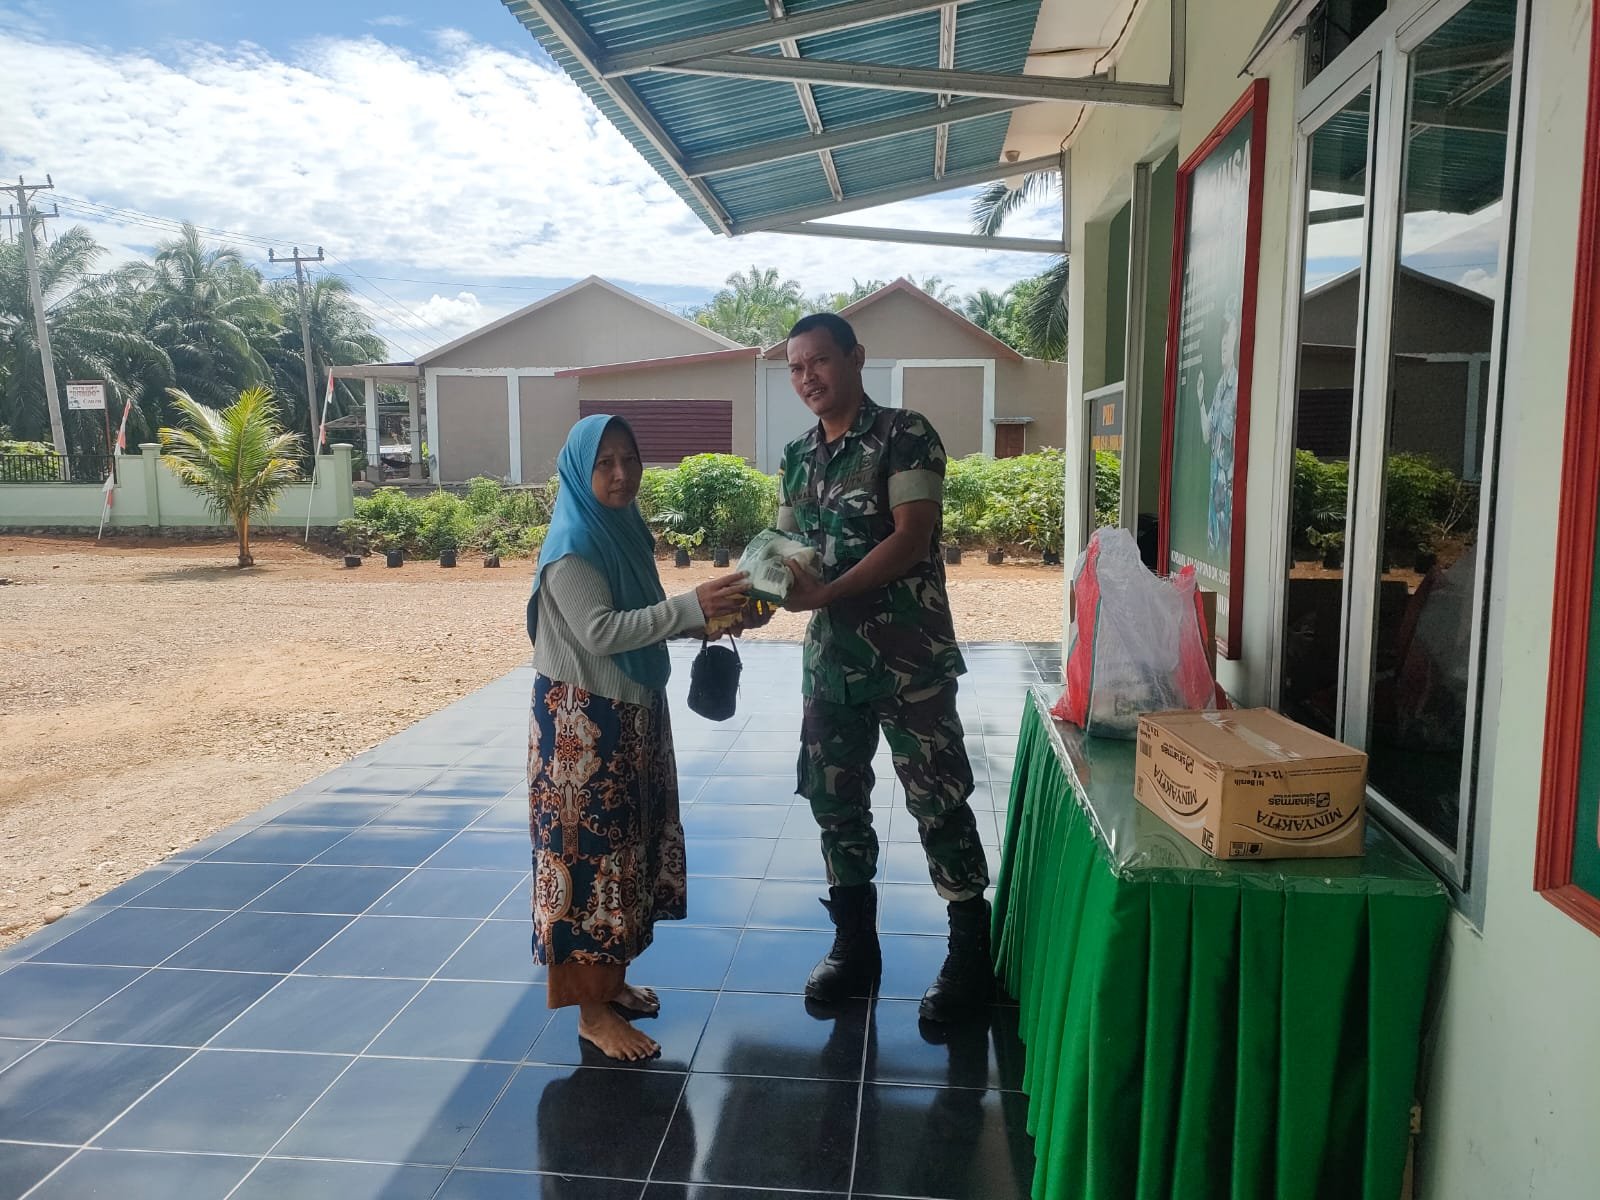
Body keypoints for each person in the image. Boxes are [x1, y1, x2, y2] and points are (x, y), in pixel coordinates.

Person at [776, 311, 994, 1023]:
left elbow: (911, 538)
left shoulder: (905, 434)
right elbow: (784, 550)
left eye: (819, 361)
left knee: (939, 800)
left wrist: (825, 594)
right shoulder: (798, 456)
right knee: (834, 800)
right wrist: (750, 596)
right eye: (796, 367)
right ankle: (855, 947)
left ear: (855, 356)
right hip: (831, 667)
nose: (808, 377)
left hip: (909, 660)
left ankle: (970, 952)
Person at [525, 414, 748, 1060]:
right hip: (582, 729)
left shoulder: (623, 529)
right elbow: (601, 632)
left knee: (626, 853)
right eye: (605, 463)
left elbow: (640, 620)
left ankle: (612, 982)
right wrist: (691, 606)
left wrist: (705, 620)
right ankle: (592, 1014)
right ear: (580, 471)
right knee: (587, 862)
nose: (621, 474)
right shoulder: (572, 545)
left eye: (630, 459)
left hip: (629, 713)